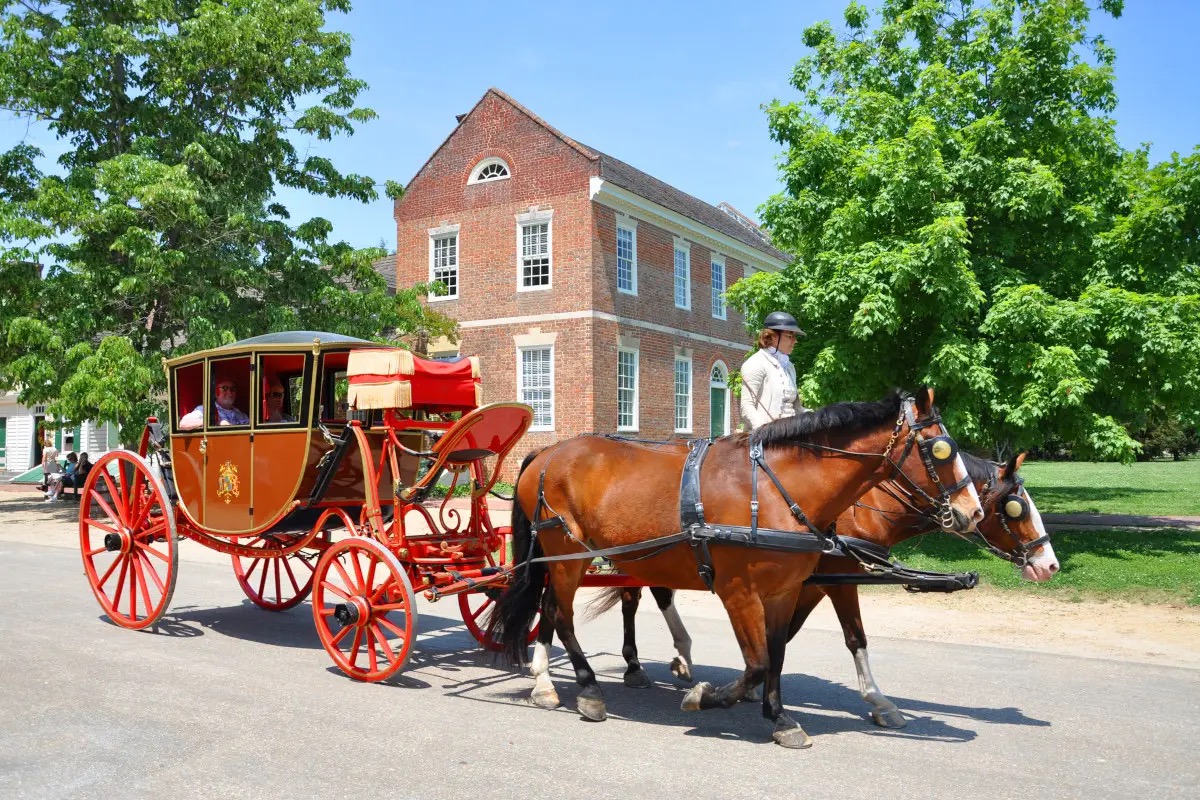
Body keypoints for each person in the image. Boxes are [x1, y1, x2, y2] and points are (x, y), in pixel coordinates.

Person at [739, 311, 807, 431]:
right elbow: (746, 407)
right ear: (773, 336)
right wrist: (765, 430)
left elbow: (796, 409)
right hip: (765, 437)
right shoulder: (755, 363)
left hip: (791, 433)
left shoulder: (789, 366)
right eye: (790, 336)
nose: (795, 341)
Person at [180, 375, 249, 430]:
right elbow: (183, 424)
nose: (229, 392)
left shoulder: (241, 414)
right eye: (224, 388)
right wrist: (213, 422)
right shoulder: (206, 409)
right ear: (215, 392)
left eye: (232, 389)